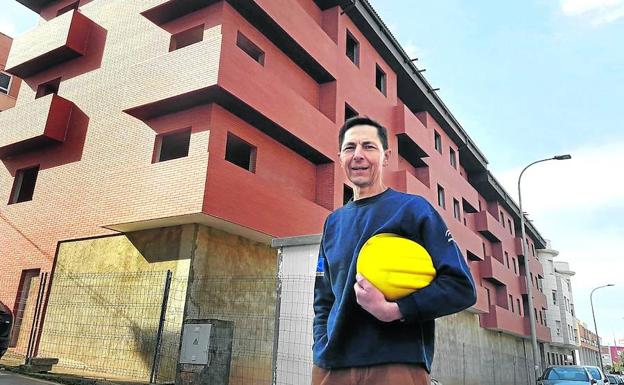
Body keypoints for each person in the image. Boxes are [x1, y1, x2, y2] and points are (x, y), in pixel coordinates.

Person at [312, 116, 477, 385]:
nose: (358, 156)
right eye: (350, 147)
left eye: (369, 146)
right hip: (332, 365)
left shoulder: (413, 210)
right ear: (340, 156)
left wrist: (397, 309)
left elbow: (461, 287)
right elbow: (323, 296)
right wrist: (320, 344)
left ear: (386, 156)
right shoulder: (333, 222)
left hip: (396, 363)